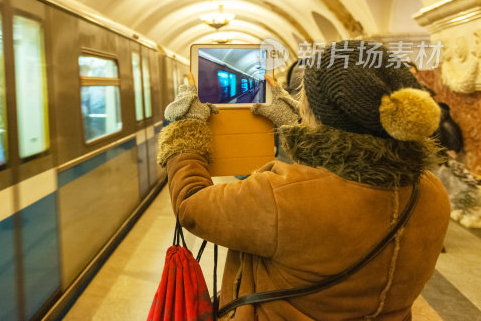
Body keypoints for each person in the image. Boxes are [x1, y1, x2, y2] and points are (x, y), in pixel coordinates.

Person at [158, 40, 450, 319]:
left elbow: (191, 205)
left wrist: (186, 129)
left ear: (314, 109)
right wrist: (294, 125)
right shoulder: (430, 191)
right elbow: (344, 175)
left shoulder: (280, 198)